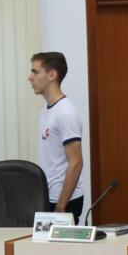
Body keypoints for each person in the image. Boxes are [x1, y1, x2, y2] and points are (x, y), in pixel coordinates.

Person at [29, 51, 84, 219]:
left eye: (35, 72)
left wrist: (61, 206)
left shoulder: (65, 112)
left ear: (52, 75)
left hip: (63, 202)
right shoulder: (46, 111)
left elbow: (76, 163)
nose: (30, 77)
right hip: (48, 197)